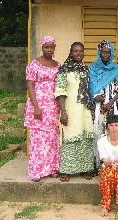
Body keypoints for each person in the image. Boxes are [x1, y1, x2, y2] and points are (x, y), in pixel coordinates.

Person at [55, 42, 95, 182]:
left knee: (85, 136)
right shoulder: (63, 70)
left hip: (84, 109)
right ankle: (66, 170)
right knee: (70, 137)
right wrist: (63, 112)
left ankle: (85, 168)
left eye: (81, 51)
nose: (78, 54)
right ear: (71, 53)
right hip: (70, 109)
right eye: (75, 51)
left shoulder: (85, 69)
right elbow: (60, 92)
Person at [24, 35, 60, 182]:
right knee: (38, 139)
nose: (49, 49)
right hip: (38, 104)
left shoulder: (58, 65)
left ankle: (52, 168)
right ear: (42, 47)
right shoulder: (34, 64)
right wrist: (36, 107)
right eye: (47, 47)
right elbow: (30, 85)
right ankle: (37, 171)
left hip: (53, 105)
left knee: (52, 138)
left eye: (52, 47)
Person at [89, 40, 118, 170]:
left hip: (113, 107)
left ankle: (114, 164)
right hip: (98, 108)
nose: (105, 54)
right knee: (98, 133)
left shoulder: (116, 69)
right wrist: (97, 97)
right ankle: (99, 164)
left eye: (108, 52)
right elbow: (91, 86)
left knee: (113, 133)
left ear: (111, 53)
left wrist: (110, 102)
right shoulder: (93, 68)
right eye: (103, 52)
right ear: (99, 52)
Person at [97, 114, 118, 217]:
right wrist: (111, 162)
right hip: (108, 166)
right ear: (107, 126)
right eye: (111, 125)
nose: (114, 128)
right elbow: (104, 160)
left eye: (116, 125)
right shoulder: (101, 141)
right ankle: (105, 206)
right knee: (108, 175)